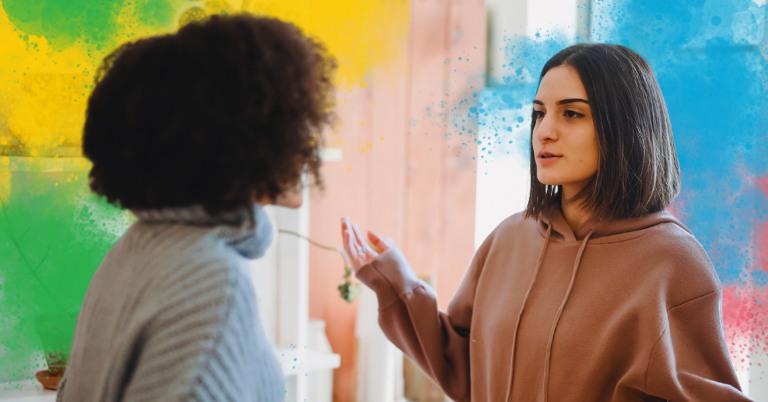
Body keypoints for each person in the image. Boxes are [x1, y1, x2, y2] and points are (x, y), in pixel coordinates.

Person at [341, 44, 751, 402]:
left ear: (626, 128)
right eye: (539, 114)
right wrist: (397, 283)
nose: (544, 132)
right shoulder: (508, 238)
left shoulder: (671, 262)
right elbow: (464, 369)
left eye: (572, 114)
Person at [58, 14, 335, 402]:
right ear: (242, 135)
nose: (307, 140)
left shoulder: (133, 250)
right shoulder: (213, 282)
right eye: (293, 117)